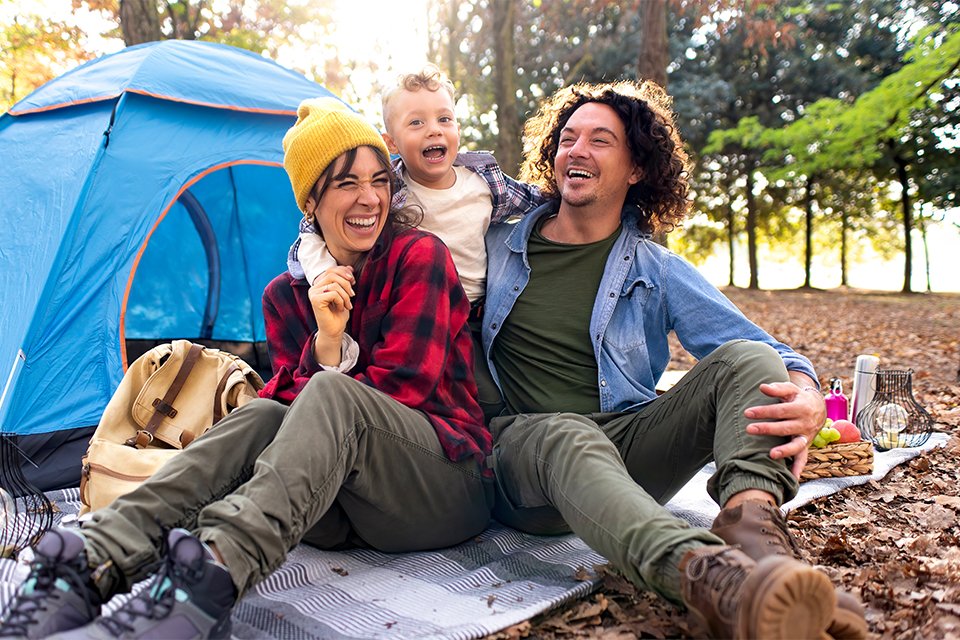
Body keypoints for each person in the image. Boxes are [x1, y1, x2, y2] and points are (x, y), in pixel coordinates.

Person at [0, 98, 491, 640]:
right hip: (338, 512)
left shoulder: (418, 257)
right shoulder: (287, 296)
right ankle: (92, 555)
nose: (370, 198)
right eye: (347, 183)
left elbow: (404, 389)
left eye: (379, 180)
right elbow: (282, 409)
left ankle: (210, 576)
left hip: (444, 484)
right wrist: (325, 339)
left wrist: (329, 359)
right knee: (261, 415)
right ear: (312, 198)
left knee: (324, 395)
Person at [481, 80, 868, 640]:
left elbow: (772, 353)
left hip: (628, 448)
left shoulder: (654, 267)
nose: (577, 150)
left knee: (747, 358)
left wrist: (808, 393)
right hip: (528, 454)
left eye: (600, 140)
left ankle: (758, 541)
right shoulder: (497, 242)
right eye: (567, 138)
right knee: (567, 433)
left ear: (636, 169)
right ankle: (716, 584)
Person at [287, 65, 543, 420]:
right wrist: (323, 275)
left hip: (477, 316)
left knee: (498, 395)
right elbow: (311, 232)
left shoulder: (484, 182)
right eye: (416, 123)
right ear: (391, 142)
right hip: (415, 306)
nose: (433, 130)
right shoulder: (390, 191)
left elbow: (538, 200)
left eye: (444, 119)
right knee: (476, 394)